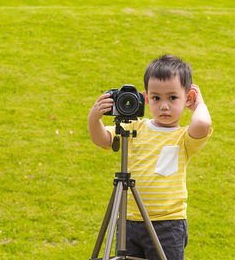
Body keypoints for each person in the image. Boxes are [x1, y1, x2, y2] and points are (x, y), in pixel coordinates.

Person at [88, 54, 212, 259]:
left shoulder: (183, 138)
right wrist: (94, 118)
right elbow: (102, 139)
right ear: (146, 98)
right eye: (156, 98)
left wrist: (198, 103)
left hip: (168, 225)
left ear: (187, 98)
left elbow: (202, 124)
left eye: (173, 98)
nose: (164, 106)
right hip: (128, 221)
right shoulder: (134, 127)